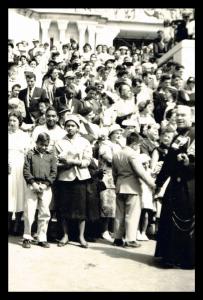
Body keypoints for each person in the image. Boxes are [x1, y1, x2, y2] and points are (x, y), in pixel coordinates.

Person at [154, 105, 195, 269]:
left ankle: (187, 259)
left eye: (183, 115)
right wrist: (159, 182)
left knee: (185, 222)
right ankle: (169, 256)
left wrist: (188, 163)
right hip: (174, 187)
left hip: (190, 186)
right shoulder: (178, 136)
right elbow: (169, 163)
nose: (179, 118)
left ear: (192, 117)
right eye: (177, 115)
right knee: (169, 220)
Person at [112, 132, 156, 247]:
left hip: (120, 186)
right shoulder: (132, 154)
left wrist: (117, 183)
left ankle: (117, 238)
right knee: (132, 214)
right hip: (133, 187)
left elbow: (114, 173)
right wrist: (152, 184)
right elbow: (140, 172)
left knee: (119, 214)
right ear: (135, 144)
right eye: (138, 145)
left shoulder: (116, 154)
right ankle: (130, 239)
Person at [55, 115, 92, 248]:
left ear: (77, 128)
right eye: (68, 125)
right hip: (65, 178)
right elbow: (55, 162)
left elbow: (88, 161)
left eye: (73, 126)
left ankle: (81, 236)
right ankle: (65, 235)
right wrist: (65, 164)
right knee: (64, 208)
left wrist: (73, 161)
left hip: (80, 177)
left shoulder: (84, 142)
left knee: (81, 209)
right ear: (64, 127)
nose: (70, 128)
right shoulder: (59, 142)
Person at [22, 132, 57, 248]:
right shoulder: (30, 154)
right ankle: (27, 237)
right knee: (29, 212)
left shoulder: (51, 155)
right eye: (41, 144)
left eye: (46, 145)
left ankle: (42, 237)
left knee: (45, 212)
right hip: (32, 186)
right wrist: (33, 183)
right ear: (36, 143)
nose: (43, 147)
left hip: (45, 187)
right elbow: (26, 171)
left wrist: (46, 184)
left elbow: (53, 172)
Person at [98, 124, 124, 242]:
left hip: (117, 176)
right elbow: (108, 158)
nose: (119, 135)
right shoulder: (105, 144)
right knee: (106, 204)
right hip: (107, 176)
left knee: (115, 205)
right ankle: (103, 230)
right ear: (111, 134)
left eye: (120, 133)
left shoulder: (120, 145)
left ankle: (112, 230)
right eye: (116, 133)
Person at [8, 111, 31, 235]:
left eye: (14, 121)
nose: (12, 123)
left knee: (19, 193)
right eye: (10, 120)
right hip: (8, 167)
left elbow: (28, 153)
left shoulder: (24, 136)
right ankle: (8, 222)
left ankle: (17, 222)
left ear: (19, 122)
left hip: (20, 166)